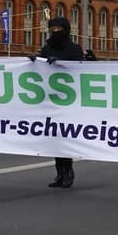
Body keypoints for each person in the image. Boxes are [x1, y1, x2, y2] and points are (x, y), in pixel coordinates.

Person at [38, 15, 84, 187]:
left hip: (70, 100)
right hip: (51, 100)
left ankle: (68, 171)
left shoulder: (74, 49)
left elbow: (81, 67)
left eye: (59, 29)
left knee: (65, 138)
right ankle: (59, 172)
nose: (55, 32)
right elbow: (40, 65)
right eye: (53, 29)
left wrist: (62, 63)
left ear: (66, 31)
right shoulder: (47, 48)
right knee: (55, 139)